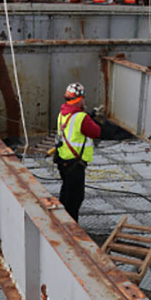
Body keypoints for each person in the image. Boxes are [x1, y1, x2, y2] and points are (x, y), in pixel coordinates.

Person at [55, 82, 101, 222]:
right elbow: (96, 132)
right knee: (75, 198)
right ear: (80, 99)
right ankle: (70, 228)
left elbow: (76, 127)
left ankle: (61, 220)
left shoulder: (62, 114)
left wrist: (88, 116)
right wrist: (91, 118)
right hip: (75, 164)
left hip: (63, 160)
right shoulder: (81, 117)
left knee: (66, 193)